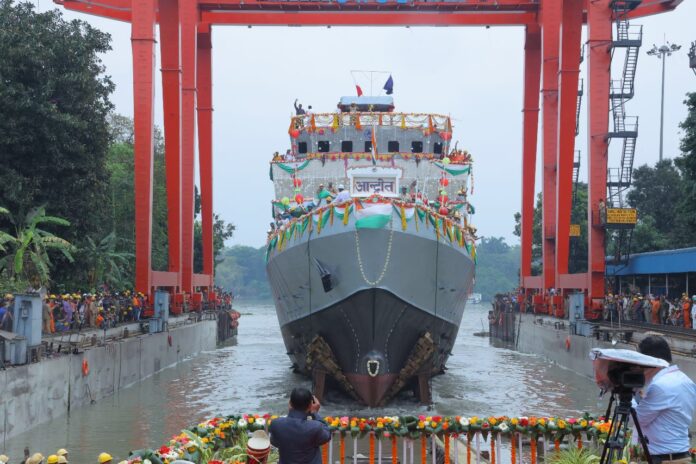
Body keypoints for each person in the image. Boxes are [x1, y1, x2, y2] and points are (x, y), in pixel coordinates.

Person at [634, 336, 696, 463]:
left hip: (666, 459)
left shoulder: (660, 386)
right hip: (681, 456)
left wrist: (629, 394)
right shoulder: (685, 380)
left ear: (649, 361)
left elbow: (637, 419)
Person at [269, 387, 331, 464]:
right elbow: (327, 436)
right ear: (310, 406)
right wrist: (315, 413)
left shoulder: (276, 424)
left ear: (290, 403)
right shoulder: (315, 427)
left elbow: (274, 442)